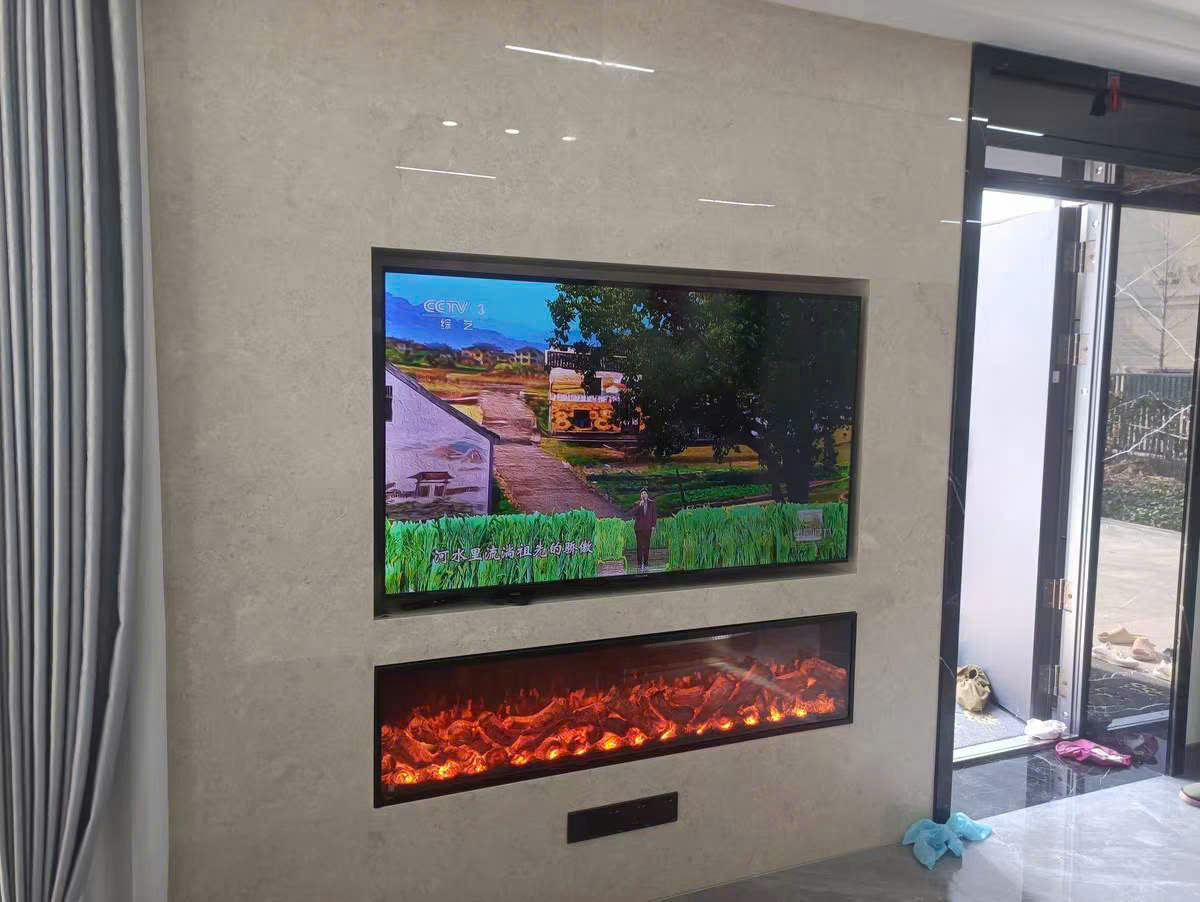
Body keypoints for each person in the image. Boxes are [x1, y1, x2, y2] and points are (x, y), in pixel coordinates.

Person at [633, 488, 657, 573]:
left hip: (648, 528)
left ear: (647, 495)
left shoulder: (652, 503)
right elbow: (634, 514)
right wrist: (639, 505)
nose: (643, 495)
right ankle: (639, 563)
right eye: (642, 493)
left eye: (645, 493)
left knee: (647, 545)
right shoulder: (637, 503)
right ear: (640, 495)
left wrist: (653, 525)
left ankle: (646, 562)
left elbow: (654, 515)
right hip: (639, 528)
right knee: (639, 546)